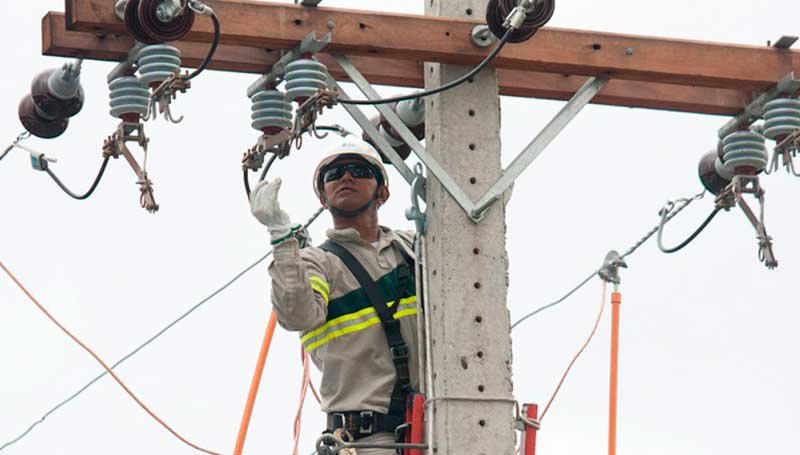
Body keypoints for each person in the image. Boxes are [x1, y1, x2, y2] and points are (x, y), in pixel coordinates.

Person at [249, 140, 420, 454]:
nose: (346, 177)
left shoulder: (412, 249)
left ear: (382, 193)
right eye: (334, 174)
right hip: (367, 441)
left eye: (359, 170)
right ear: (322, 198)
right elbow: (297, 315)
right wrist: (281, 237)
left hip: (435, 428)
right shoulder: (319, 263)